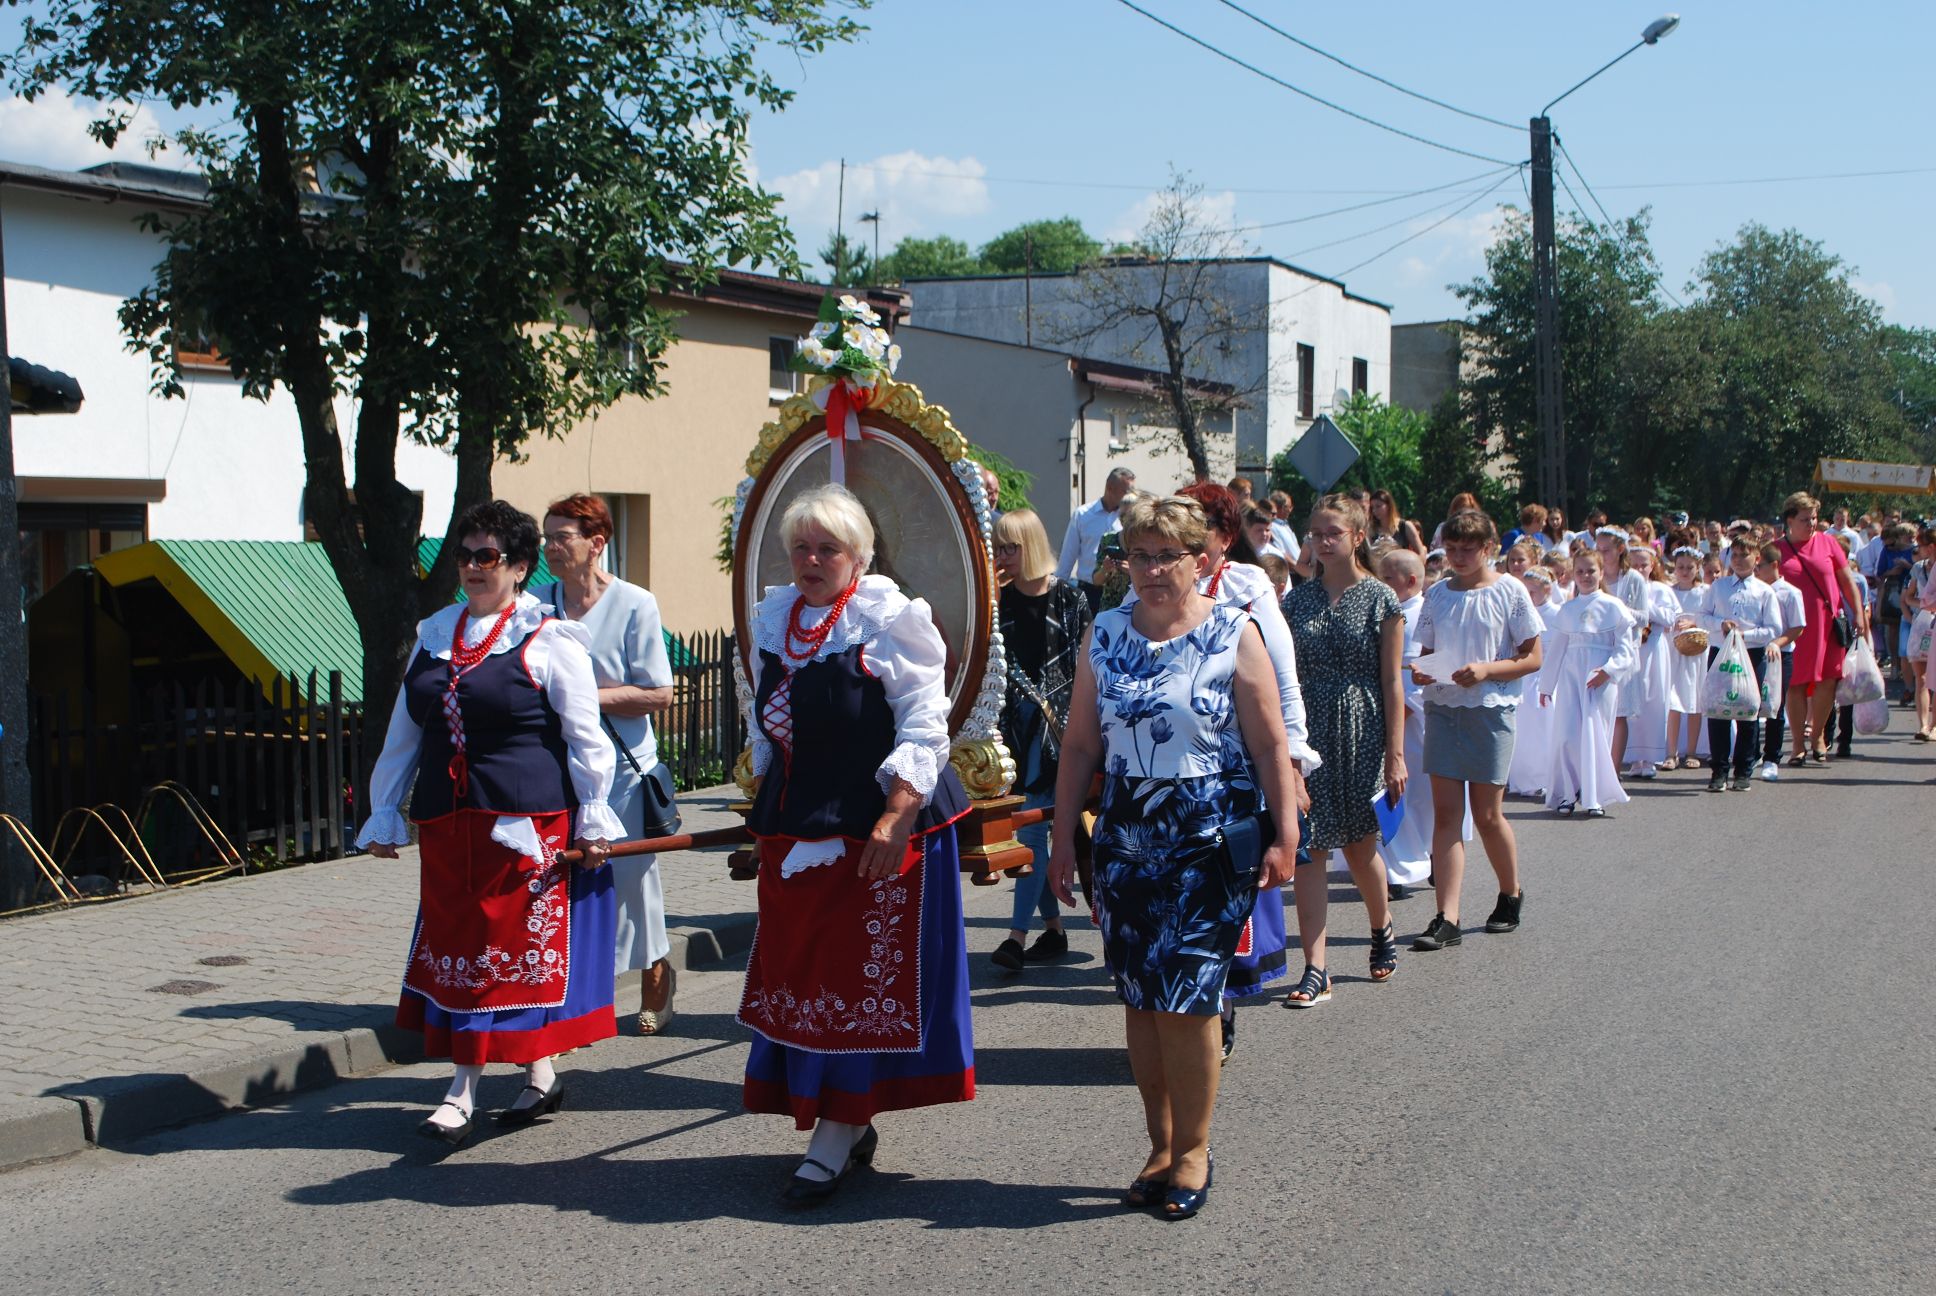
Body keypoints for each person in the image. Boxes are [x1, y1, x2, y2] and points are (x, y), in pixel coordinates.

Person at [1046, 494, 1302, 1221]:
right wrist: (1062, 840)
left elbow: (1270, 745)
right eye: (1140, 556)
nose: (1153, 570)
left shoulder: (1233, 631)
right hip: (1126, 834)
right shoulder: (1105, 631)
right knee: (1139, 996)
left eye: (1168, 556)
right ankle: (1159, 1146)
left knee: (1188, 1000)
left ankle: (1193, 1149)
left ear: (1201, 559)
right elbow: (1080, 745)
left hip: (1206, 835)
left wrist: (1286, 835)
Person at [356, 500, 624, 1148]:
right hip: (451, 828)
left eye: (488, 556)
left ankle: (461, 1091)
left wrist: (593, 814)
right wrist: (384, 810)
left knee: (497, 959)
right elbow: (405, 730)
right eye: (465, 555)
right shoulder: (435, 633)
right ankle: (540, 1074)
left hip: (523, 827)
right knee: (464, 952)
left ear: (520, 567)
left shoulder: (548, 638)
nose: (473, 567)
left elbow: (586, 737)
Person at [739, 483, 974, 1207]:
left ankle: (836, 1131)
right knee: (806, 978)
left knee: (854, 981)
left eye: (828, 549)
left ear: (860, 557)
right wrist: (763, 809)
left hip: (877, 827)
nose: (811, 560)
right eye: (801, 548)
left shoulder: (890, 620)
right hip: (798, 825)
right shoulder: (778, 618)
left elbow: (925, 723)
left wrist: (895, 815)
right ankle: (845, 1116)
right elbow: (765, 725)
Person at [1157, 482, 1319, 1053]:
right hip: (1166, 762)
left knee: (1226, 892)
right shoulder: (1155, 582)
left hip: (1235, 764)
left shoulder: (1246, 588)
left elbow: (1283, 682)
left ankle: (1216, 1012)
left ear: (1224, 537)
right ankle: (1173, 1015)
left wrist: (1292, 764)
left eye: (1197, 524)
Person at [538, 494, 679, 1036]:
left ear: (596, 542)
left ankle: (656, 972)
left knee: (630, 879)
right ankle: (575, 1002)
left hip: (622, 769)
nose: (550, 547)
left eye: (562, 537)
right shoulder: (537, 604)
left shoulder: (634, 603)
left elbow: (659, 693)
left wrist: (582, 698)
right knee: (568, 882)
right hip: (558, 764)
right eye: (547, 537)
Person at [1279, 496, 1406, 1006]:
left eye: (1333, 533)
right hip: (1310, 732)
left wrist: (1395, 754)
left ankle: (1381, 926)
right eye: (1316, 533)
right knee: (1309, 847)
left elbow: (1392, 682)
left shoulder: (1381, 599)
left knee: (1358, 846)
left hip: (1362, 730)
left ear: (1357, 536)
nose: (1323, 541)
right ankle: (1316, 967)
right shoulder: (1297, 602)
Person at [1409, 508, 1543, 951]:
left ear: (1488, 548)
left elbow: (1532, 657)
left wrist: (1486, 670)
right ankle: (1446, 916)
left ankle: (1510, 893)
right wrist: (1424, 672)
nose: (1458, 557)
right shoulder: (1437, 594)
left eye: (1468, 549)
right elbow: (1426, 655)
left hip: (1490, 708)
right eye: (1451, 548)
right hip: (1444, 707)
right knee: (1447, 814)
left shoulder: (1509, 590)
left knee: (1486, 815)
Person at [989, 508, 1092, 972]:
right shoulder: (1000, 603)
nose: (1002, 556)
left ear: (1029, 545)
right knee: (1034, 829)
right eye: (997, 547)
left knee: (1032, 830)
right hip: (1016, 734)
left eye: (1010, 547)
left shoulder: (1069, 597)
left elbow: (1088, 668)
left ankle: (1016, 937)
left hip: (1063, 734)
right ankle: (1053, 930)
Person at [1376, 549, 1471, 897]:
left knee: (1421, 796)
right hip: (1391, 714)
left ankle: (1431, 856)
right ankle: (1396, 869)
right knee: (1396, 795)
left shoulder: (1424, 615)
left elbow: (1430, 670)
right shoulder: (1386, 612)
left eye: (1388, 579)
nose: (1382, 584)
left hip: (1416, 721)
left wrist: (1399, 713)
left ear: (1411, 580)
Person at [1537, 550, 1637, 817]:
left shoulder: (1614, 606)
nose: (1585, 576)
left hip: (1599, 680)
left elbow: (1625, 648)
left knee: (1595, 736)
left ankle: (1594, 797)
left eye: (1591, 570)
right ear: (1573, 574)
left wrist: (1608, 670)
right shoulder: (1567, 610)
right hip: (1571, 678)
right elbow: (1557, 650)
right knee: (1567, 736)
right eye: (1580, 571)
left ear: (1601, 572)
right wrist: (1546, 686)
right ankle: (1567, 793)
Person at [1776, 492, 1867, 766]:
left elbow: (1847, 581)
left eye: (1814, 518)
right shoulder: (1776, 550)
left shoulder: (1828, 543)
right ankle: (1797, 744)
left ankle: (1817, 735)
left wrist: (1859, 614)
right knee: (1796, 683)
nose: (1812, 523)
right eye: (1805, 519)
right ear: (1790, 520)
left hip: (1828, 623)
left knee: (1828, 681)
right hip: (1794, 627)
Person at [1695, 538, 1783, 793]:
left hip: (1751, 654)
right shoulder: (1719, 587)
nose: (1739, 560)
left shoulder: (1764, 591)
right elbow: (1701, 616)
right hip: (1721, 653)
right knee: (1718, 710)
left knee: (1748, 711)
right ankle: (1719, 770)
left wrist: (1747, 635)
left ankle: (1743, 769)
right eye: (1734, 555)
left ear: (1757, 559)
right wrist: (1720, 624)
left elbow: (1773, 628)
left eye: (1745, 555)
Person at [1621, 545, 1679, 779]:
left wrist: (1645, 605)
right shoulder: (1624, 586)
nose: (1639, 569)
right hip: (1632, 647)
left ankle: (1651, 757)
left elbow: (1670, 618)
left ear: (1652, 566)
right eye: (1634, 565)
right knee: (1632, 700)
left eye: (1643, 565)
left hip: (1654, 647)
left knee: (1654, 699)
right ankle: (1634, 757)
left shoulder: (1660, 589)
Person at [1504, 566, 1559, 799]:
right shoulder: (1519, 614)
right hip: (1525, 678)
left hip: (1546, 677)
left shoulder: (1557, 615)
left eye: (1533, 592)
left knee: (1543, 729)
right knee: (1523, 730)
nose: (1528, 597)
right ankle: (1520, 778)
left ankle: (1543, 778)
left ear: (1547, 590)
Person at [1664, 546, 1709, 771]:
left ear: (1697, 568)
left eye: (1689, 567)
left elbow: (1709, 617)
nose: (1684, 571)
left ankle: (1692, 751)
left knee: (1694, 700)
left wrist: (1694, 623)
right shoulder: (1668, 591)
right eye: (1680, 567)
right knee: (1673, 701)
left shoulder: (1704, 592)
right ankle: (1671, 752)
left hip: (1697, 652)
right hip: (1674, 650)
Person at [1057, 467, 1137, 584]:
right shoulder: (1082, 515)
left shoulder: (1130, 517)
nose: (1129, 497)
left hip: (1121, 588)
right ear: (1110, 487)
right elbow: (1067, 556)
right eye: (1126, 491)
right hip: (1089, 588)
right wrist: (1058, 588)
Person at [1903, 530, 1936, 739]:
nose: (1918, 550)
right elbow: (1908, 597)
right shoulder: (1919, 568)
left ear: (1930, 547)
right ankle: (1924, 725)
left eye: (1920, 546)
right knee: (1921, 678)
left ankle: (1934, 726)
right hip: (1922, 625)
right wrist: (1919, 610)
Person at [1368, 488, 1426, 555]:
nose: (1374, 510)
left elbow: (1421, 553)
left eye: (1378, 506)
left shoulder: (1405, 526)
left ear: (1389, 506)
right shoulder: (1371, 530)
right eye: (1372, 507)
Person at [1266, 490, 1303, 565]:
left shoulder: (1285, 526)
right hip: (1291, 570)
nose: (1289, 510)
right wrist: (1298, 568)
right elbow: (1280, 554)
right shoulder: (1272, 527)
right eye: (1287, 507)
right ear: (1278, 507)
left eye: (1290, 507)